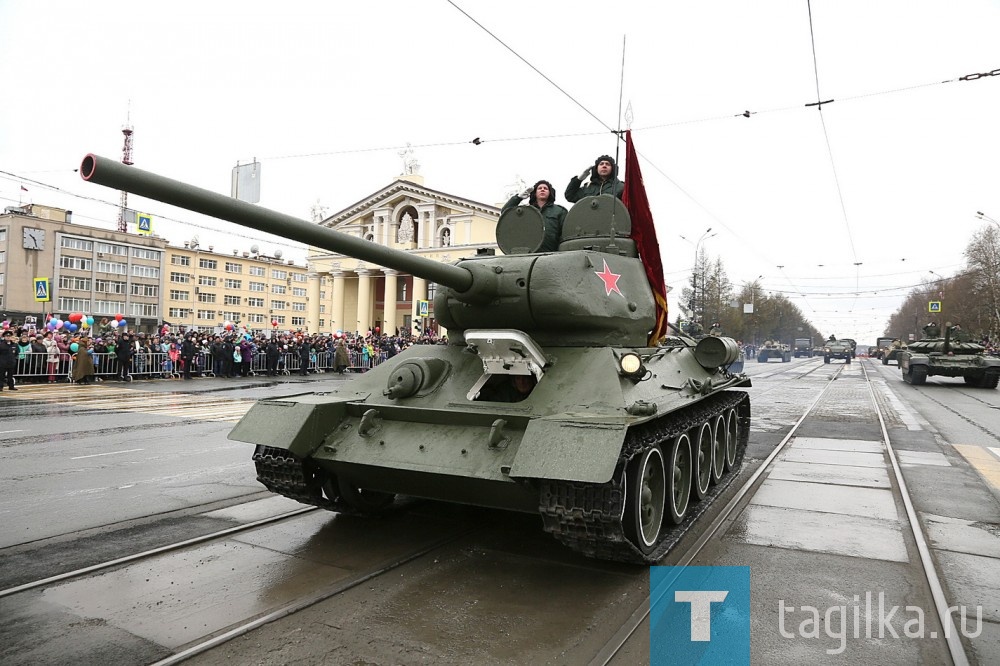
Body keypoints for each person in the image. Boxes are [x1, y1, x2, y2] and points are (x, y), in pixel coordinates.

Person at [502, 180, 567, 253]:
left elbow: (565, 233)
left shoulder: (559, 211)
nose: (542, 189)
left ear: (550, 192)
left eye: (545, 188)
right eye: (539, 188)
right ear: (535, 193)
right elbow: (505, 214)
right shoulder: (527, 211)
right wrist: (518, 198)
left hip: (551, 252)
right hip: (529, 252)